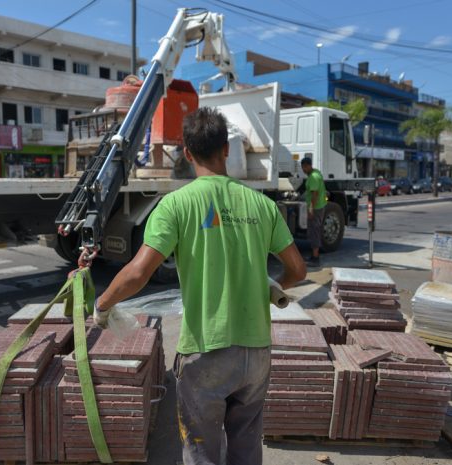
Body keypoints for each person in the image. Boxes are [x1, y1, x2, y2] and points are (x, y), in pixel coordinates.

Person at [92, 107, 306, 465]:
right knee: (247, 447)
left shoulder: (175, 205)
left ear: (187, 154)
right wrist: (273, 285)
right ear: (226, 149)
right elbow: (297, 270)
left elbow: (138, 273)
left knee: (201, 451)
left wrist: (103, 306)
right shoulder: (263, 205)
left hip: (206, 351)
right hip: (256, 351)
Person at [300, 157, 327, 267]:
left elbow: (314, 195)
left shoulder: (314, 177)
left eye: (304, 167)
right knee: (314, 231)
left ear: (308, 166)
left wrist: (311, 209)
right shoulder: (316, 173)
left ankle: (315, 258)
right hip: (318, 206)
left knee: (314, 231)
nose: (303, 170)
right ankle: (313, 256)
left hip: (316, 208)